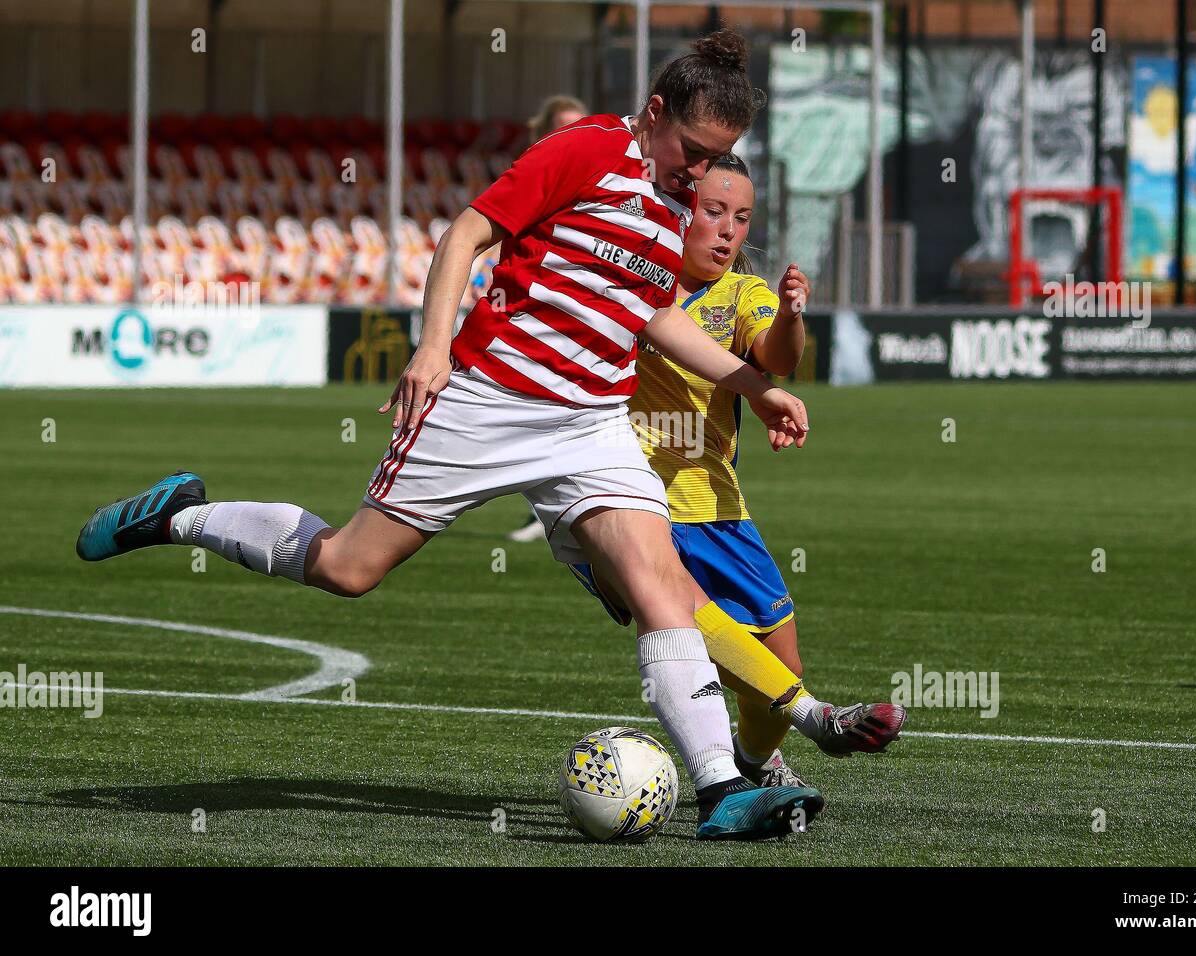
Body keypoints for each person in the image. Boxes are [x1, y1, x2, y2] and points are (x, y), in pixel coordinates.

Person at [76, 30, 892, 840]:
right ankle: (180, 514)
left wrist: (755, 384)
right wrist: (432, 349)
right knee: (349, 567)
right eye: (691, 150)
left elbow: (654, 312)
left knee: (663, 584)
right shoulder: (585, 150)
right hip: (490, 398)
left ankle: (722, 791)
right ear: (653, 112)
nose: (696, 172)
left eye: (717, 156)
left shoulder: (673, 199)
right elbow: (466, 232)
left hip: (591, 422)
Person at [570, 154, 903, 790]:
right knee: (683, 614)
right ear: (677, 210)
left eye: (741, 218)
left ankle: (754, 764)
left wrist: (790, 315)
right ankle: (809, 722)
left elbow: (777, 355)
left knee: (776, 675)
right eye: (713, 212)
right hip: (623, 500)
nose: (727, 230)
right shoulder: (633, 280)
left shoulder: (743, 293)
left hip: (717, 507)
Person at [509, 94, 589, 544]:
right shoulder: (532, 176)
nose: (572, 137)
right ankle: (549, 510)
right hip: (534, 316)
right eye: (562, 128)